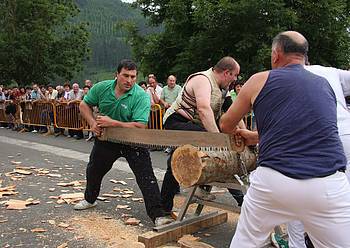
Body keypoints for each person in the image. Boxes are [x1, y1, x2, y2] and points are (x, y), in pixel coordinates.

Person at [220, 31, 350, 248]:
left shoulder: (259, 79)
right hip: (328, 184)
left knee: (246, 241)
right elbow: (303, 127)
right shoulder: (324, 84)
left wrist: (241, 132)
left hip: (274, 180)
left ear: (276, 54)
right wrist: (254, 137)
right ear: (304, 56)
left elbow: (226, 125)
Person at [74, 59, 173, 226]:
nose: (129, 81)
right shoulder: (102, 88)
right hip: (107, 139)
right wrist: (92, 123)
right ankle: (90, 199)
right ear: (116, 75)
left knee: (146, 177)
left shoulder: (140, 96)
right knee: (94, 170)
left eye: (133, 77)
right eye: (125, 76)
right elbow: (84, 105)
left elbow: (140, 126)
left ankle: (158, 215)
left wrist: (113, 122)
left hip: (132, 140)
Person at [160, 56, 242, 214]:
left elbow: (233, 114)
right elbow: (204, 110)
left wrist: (242, 133)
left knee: (180, 159)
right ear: (227, 73)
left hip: (197, 125)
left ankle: (238, 199)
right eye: (235, 75)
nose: (235, 79)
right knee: (183, 157)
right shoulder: (202, 80)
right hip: (177, 121)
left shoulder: (223, 88)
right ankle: (164, 208)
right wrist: (219, 140)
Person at [284, 65, 350, 248]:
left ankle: (298, 244)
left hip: (311, 139)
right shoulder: (331, 71)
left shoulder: (284, 75)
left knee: (298, 194)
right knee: (343, 200)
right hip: (345, 135)